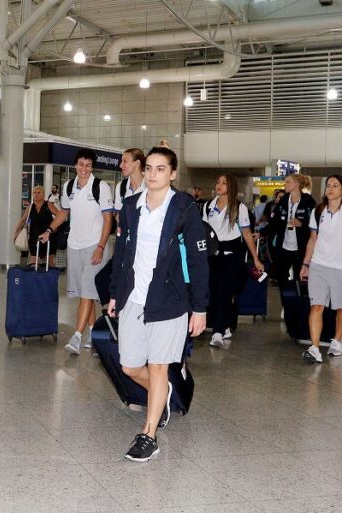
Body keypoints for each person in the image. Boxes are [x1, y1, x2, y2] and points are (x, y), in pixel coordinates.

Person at [107, 146, 209, 462]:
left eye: (160, 168)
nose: (152, 174)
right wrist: (115, 294)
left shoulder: (184, 207)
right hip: (134, 298)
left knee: (158, 366)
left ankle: (149, 435)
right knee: (129, 366)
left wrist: (200, 307)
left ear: (173, 173)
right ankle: (161, 391)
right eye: (149, 168)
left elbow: (198, 260)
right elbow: (121, 254)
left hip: (169, 299)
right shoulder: (130, 206)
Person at [39, 148, 114, 354]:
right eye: (81, 164)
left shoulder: (101, 187)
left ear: (92, 168)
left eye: (88, 165)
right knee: (84, 292)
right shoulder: (68, 186)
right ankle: (93, 332)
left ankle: (77, 336)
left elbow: (108, 219)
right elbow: (64, 212)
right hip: (74, 245)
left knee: (87, 291)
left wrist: (101, 247)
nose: (84, 169)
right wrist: (49, 230)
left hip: (94, 245)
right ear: (75, 165)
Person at [300, 175, 342, 363]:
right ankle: (314, 348)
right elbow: (312, 239)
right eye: (328, 185)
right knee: (316, 306)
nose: (330, 189)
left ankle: (337, 341)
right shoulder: (318, 211)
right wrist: (306, 264)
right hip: (319, 265)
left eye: (335, 186)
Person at [203, 173, 264, 348]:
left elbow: (246, 234)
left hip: (231, 257)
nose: (219, 185)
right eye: (218, 182)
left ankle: (217, 332)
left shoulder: (239, 208)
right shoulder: (208, 206)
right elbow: (204, 231)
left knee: (224, 292)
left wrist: (255, 258)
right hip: (212, 257)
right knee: (213, 293)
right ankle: (225, 326)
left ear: (231, 186)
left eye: (224, 183)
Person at [265, 174, 316, 291]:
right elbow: (274, 221)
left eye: (288, 181)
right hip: (284, 246)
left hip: (301, 247)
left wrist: (301, 224)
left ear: (296, 184)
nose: (285, 184)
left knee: (300, 278)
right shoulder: (284, 200)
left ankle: (300, 299)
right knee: (280, 276)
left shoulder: (308, 201)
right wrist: (262, 232)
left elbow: (315, 224)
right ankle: (285, 299)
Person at [13, 185, 58, 266]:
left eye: (39, 192)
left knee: (49, 263)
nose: (36, 194)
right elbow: (23, 220)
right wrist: (16, 233)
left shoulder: (48, 205)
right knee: (34, 263)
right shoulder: (30, 207)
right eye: (34, 192)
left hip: (48, 236)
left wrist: (54, 227)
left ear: (43, 195)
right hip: (34, 237)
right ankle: (35, 273)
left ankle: (50, 274)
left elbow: (59, 215)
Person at [113, 148, 146, 222]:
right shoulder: (121, 186)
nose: (121, 165)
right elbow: (118, 216)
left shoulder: (150, 186)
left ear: (137, 163)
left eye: (125, 161)